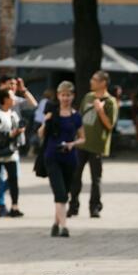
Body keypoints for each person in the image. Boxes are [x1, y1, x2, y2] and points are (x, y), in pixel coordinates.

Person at [0, 75, 37, 216]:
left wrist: (23, 89)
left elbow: (33, 105)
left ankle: (9, 204)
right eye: (10, 83)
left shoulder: (15, 101)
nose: (13, 86)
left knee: (13, 177)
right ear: (2, 85)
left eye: (14, 84)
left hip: (12, 149)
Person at [68, 71, 118, 218]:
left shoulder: (110, 101)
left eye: (95, 79)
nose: (91, 81)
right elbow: (79, 117)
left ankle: (94, 207)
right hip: (81, 143)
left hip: (97, 145)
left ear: (103, 83)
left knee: (95, 179)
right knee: (75, 176)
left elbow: (110, 125)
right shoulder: (88, 97)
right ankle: (73, 206)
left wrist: (100, 110)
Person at [39, 81, 85, 237]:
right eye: (63, 95)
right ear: (58, 96)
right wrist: (46, 122)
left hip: (69, 158)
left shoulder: (76, 116)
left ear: (73, 97)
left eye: (68, 95)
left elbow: (82, 138)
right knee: (60, 193)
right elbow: (41, 134)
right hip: (52, 156)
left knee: (65, 192)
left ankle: (55, 223)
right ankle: (64, 227)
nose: (65, 98)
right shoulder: (52, 113)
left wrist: (72, 144)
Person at [0, 89, 26, 218]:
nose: (14, 98)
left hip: (11, 152)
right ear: (5, 99)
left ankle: (15, 206)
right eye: (11, 96)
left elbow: (18, 130)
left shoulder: (13, 114)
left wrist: (20, 131)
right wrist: (12, 134)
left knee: (13, 179)